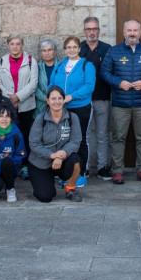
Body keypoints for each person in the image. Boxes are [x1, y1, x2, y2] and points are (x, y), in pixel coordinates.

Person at [101, 19, 141, 185]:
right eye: (129, 30)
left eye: (135, 30)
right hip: (120, 104)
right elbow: (105, 72)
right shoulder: (114, 52)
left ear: (140, 33)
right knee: (118, 138)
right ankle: (117, 172)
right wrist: (118, 82)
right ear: (123, 33)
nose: (132, 33)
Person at [49, 36, 95, 187]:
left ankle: (81, 173)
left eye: (75, 47)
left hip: (81, 107)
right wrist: (53, 98)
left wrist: (70, 97)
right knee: (64, 140)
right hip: (62, 109)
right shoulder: (59, 65)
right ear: (64, 49)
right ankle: (67, 172)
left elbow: (89, 87)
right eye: (69, 47)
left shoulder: (86, 65)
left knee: (81, 139)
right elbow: (52, 84)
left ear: (79, 48)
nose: (72, 50)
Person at [28, 86, 83, 203]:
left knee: (76, 159)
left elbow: (75, 141)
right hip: (41, 163)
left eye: (60, 98)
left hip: (63, 161)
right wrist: (53, 155)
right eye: (53, 99)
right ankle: (46, 184)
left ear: (64, 100)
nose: (57, 101)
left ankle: (70, 189)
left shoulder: (73, 118)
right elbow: (34, 144)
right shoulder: (40, 119)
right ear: (47, 101)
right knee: (45, 196)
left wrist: (62, 154)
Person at [0, 34, 38, 154]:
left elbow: (33, 83)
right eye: (12, 44)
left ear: (22, 45)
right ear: (8, 45)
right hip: (7, 105)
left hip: (26, 106)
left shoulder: (30, 61)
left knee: (24, 134)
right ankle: (9, 159)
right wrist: (11, 99)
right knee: (7, 133)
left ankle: (23, 161)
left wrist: (18, 96)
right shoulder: (2, 61)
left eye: (18, 44)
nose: (15, 47)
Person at [81, 17, 112, 180]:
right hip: (83, 100)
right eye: (88, 29)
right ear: (84, 31)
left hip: (102, 98)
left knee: (102, 134)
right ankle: (84, 167)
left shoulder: (107, 49)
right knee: (83, 135)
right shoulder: (78, 49)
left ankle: (102, 167)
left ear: (99, 31)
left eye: (94, 29)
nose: (91, 32)